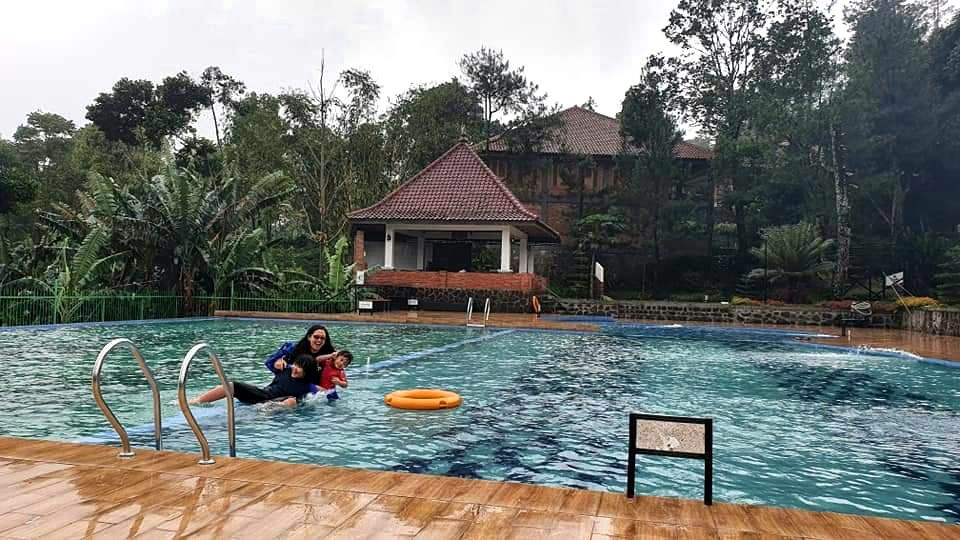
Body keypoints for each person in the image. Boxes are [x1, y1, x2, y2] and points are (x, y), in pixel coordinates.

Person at [190, 354, 318, 408]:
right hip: (261, 395)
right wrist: (278, 361)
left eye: (301, 368)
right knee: (232, 385)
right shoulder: (285, 370)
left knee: (291, 401)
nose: (296, 368)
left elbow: (325, 392)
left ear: (307, 373)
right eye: (296, 364)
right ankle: (198, 400)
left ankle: (263, 412)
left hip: (275, 404)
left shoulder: (307, 386)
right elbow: (269, 362)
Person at [263, 325, 336, 376]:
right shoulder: (292, 348)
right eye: (316, 337)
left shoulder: (329, 355)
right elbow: (269, 362)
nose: (319, 340)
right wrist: (277, 362)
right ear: (309, 337)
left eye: (322, 338)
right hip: (289, 383)